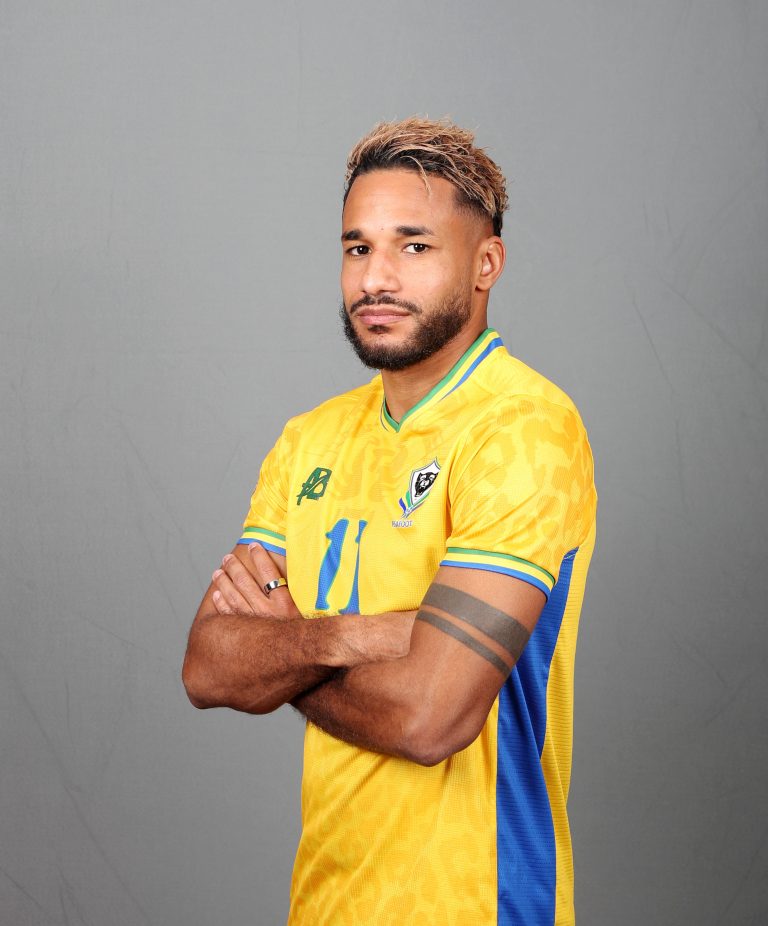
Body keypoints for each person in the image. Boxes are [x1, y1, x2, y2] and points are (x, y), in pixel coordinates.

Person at [182, 117, 597, 926]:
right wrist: (359, 635)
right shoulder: (310, 440)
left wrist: (284, 655)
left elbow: (427, 717)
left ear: (486, 265)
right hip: (326, 902)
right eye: (357, 247)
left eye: (414, 247)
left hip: (479, 904)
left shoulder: (524, 429)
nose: (377, 277)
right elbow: (208, 667)